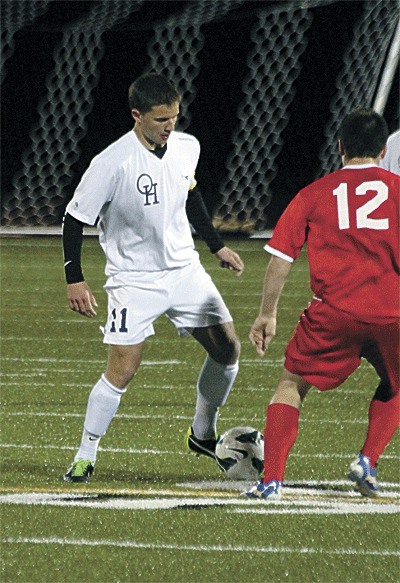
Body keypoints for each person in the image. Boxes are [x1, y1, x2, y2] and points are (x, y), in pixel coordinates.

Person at [62, 73, 244, 483]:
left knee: (228, 349)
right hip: (134, 279)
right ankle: (85, 453)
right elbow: (74, 218)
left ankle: (202, 433)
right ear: (137, 115)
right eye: (162, 119)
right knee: (122, 369)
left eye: (175, 117)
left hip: (184, 271)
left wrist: (216, 247)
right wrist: (75, 277)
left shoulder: (186, 146)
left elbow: (190, 194)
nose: (170, 126)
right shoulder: (112, 162)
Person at [245, 107, 399, 501]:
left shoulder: (314, 193)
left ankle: (271, 482)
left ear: (340, 147)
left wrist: (267, 313)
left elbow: (281, 257)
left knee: (292, 384)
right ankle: (367, 460)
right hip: (393, 312)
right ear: (384, 150)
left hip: (334, 313)